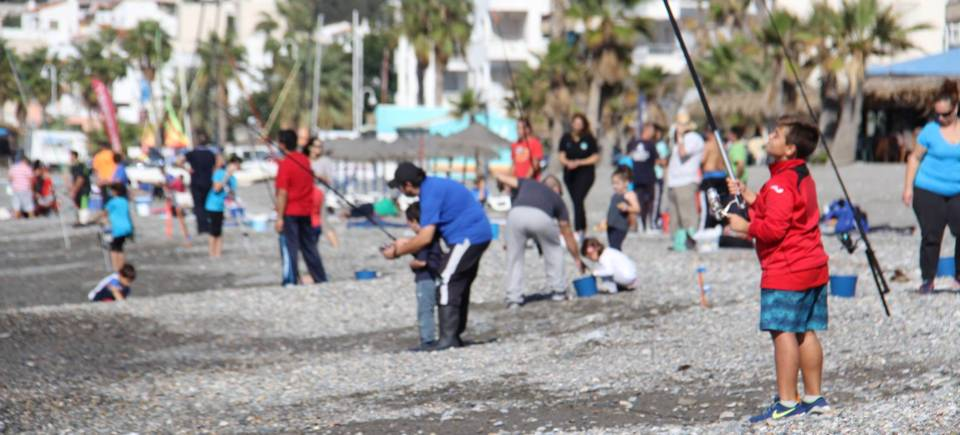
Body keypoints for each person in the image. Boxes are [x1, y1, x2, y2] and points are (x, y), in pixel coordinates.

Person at [724, 115, 831, 424]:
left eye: (776, 135)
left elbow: (773, 229)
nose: (769, 137)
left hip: (788, 269)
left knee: (783, 331)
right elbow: (782, 210)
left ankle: (786, 402)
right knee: (805, 329)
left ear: (789, 148)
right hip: (813, 265)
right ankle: (814, 397)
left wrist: (744, 226)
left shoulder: (780, 183)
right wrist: (750, 196)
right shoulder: (800, 175)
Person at [382, 162, 492, 350]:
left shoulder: (430, 193)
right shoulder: (434, 186)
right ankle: (454, 336)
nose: (400, 191)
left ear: (408, 185)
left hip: (468, 237)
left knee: (447, 278)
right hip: (477, 234)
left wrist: (397, 252)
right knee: (460, 282)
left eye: (399, 186)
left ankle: (447, 339)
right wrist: (406, 243)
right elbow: (429, 234)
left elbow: (425, 237)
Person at [902, 79, 960, 293]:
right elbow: (914, 158)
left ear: (956, 108)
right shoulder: (929, 131)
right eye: (938, 115)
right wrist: (908, 188)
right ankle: (928, 279)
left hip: (957, 190)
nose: (941, 118)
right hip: (928, 188)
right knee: (931, 235)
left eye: (945, 114)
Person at [493, 172, 584, 308]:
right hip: (541, 218)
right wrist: (577, 258)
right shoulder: (557, 198)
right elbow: (567, 233)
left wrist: (502, 186)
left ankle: (513, 299)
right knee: (554, 250)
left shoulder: (527, 183)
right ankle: (559, 291)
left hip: (515, 214)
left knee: (514, 257)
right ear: (557, 189)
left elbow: (501, 177)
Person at [275, 129, 328, 284]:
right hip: (306, 211)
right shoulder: (304, 160)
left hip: (291, 212)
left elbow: (283, 193)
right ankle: (320, 278)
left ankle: (290, 280)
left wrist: (279, 217)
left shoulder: (286, 164)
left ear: (282, 144)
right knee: (309, 247)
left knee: (290, 247)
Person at [404, 202, 443, 350]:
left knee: (425, 310)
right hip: (436, 276)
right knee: (439, 308)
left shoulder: (423, 239)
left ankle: (428, 340)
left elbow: (421, 262)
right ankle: (445, 336)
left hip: (425, 278)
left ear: (414, 221)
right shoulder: (435, 236)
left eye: (409, 222)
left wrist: (412, 264)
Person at [666, 112, 704, 251]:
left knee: (688, 215)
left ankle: (692, 241)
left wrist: (680, 136)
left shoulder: (694, 138)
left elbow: (683, 153)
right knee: (675, 216)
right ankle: (679, 243)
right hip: (674, 182)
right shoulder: (680, 140)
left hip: (686, 182)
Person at [558, 113, 600, 239]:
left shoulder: (589, 138)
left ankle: (578, 229)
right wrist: (568, 163)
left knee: (578, 199)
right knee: (577, 201)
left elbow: (595, 157)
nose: (577, 125)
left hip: (585, 173)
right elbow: (561, 156)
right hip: (570, 174)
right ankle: (582, 228)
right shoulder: (566, 138)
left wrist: (579, 162)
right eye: (575, 123)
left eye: (580, 123)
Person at [179, 131, 217, 235]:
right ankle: (209, 226)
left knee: (198, 205)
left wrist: (188, 169)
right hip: (208, 181)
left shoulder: (192, 153)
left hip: (196, 181)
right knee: (208, 204)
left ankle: (202, 227)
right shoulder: (211, 154)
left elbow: (179, 161)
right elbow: (216, 166)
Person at [627, 123, 661, 232]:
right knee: (647, 202)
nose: (653, 134)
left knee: (643, 201)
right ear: (646, 130)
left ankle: (644, 224)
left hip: (639, 177)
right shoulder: (650, 144)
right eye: (652, 131)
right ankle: (646, 224)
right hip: (646, 177)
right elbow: (656, 160)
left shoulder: (633, 143)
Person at [205, 154, 241, 258]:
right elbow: (216, 188)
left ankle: (218, 253)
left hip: (221, 207)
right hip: (212, 206)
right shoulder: (220, 173)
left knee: (219, 231)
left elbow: (231, 194)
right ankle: (211, 253)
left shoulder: (233, 179)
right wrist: (227, 175)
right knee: (213, 230)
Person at [699, 128, 729, 231]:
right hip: (721, 176)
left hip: (710, 176)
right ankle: (721, 225)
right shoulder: (722, 145)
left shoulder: (708, 144)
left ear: (710, 133)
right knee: (721, 203)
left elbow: (702, 160)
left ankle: (708, 227)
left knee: (709, 204)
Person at [604, 168, 640, 250]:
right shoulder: (615, 195)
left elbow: (637, 208)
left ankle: (618, 258)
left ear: (626, 183)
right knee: (612, 246)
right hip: (611, 226)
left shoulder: (629, 194)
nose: (614, 186)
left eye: (617, 183)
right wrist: (606, 221)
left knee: (615, 247)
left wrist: (626, 207)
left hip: (620, 226)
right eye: (613, 183)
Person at [101, 183, 134, 272]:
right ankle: (122, 267)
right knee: (120, 248)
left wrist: (93, 219)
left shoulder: (113, 202)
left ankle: (116, 269)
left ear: (115, 191)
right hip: (126, 227)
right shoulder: (124, 201)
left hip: (117, 228)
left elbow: (104, 213)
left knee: (114, 249)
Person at [8, 153, 35, 218]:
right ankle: (31, 217)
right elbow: (31, 179)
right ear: (25, 161)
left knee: (16, 204)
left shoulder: (13, 167)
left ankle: (17, 217)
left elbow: (10, 178)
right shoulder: (27, 168)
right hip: (25, 188)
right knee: (28, 204)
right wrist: (32, 189)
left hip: (16, 188)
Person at [68, 150, 90, 217]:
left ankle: (84, 220)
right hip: (78, 189)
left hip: (84, 189)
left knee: (84, 205)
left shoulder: (80, 165)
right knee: (78, 205)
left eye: (70, 156)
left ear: (74, 156)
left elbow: (80, 179)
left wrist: (74, 190)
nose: (69, 158)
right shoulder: (73, 166)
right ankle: (80, 219)